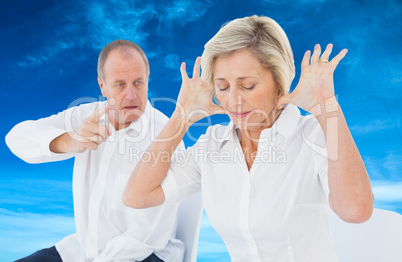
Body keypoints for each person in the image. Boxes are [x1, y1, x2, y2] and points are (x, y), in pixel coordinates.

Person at [123, 16, 374, 261]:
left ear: (279, 81)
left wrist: (327, 108)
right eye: (222, 87)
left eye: (248, 85)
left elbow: (355, 211)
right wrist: (181, 118)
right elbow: (137, 196)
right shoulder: (212, 146)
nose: (233, 100)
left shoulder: (312, 135)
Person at [6, 40, 184, 262]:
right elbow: (16, 137)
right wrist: (70, 141)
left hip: (145, 253)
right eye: (120, 84)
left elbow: (146, 235)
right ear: (103, 87)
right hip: (83, 249)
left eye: (138, 82)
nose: (131, 95)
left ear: (148, 80)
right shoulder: (85, 116)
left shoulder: (165, 136)